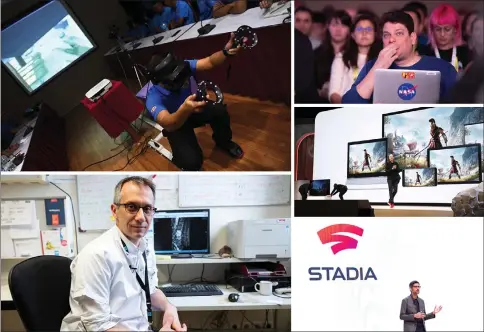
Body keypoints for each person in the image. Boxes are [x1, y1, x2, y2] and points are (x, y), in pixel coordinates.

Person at [61, 177, 186, 331]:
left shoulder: (145, 248)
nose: (141, 217)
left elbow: (150, 290)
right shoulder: (96, 255)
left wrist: (169, 307)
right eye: (132, 207)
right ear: (115, 211)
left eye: (147, 208)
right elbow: (98, 325)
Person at [145, 33, 244, 171]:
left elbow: (209, 61)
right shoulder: (152, 98)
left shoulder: (183, 66)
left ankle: (224, 142)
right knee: (191, 162)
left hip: (193, 106)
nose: (182, 79)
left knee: (219, 110)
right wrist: (185, 109)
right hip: (176, 121)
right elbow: (168, 122)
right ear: (161, 81)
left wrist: (225, 52)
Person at [342, 10, 457, 104]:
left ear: (412, 38)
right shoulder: (372, 66)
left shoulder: (443, 68)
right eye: (386, 35)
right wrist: (378, 67)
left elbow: (461, 106)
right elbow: (348, 104)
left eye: (399, 33)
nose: (391, 40)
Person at [328, 14, 381, 103]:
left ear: (375, 34)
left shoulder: (381, 59)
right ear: (353, 35)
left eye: (368, 29)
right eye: (360, 29)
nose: (364, 33)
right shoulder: (341, 58)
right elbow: (334, 93)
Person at [422, 4, 470, 73]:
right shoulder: (424, 53)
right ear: (432, 30)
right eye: (438, 29)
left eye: (447, 29)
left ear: (455, 29)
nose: (442, 34)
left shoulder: (465, 52)